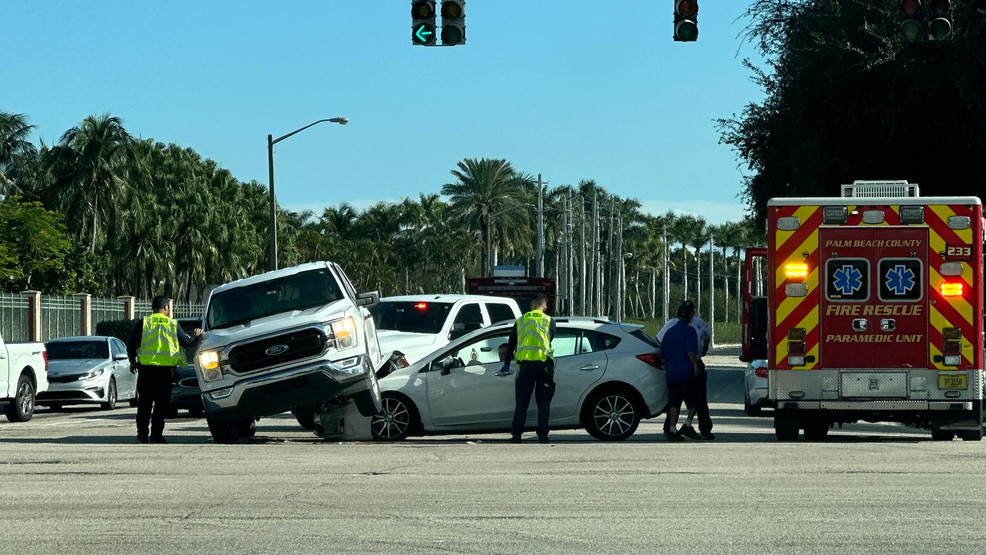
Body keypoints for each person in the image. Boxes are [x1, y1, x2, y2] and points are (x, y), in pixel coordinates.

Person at [127, 296, 202, 444]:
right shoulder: (173, 324)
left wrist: (132, 362)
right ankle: (156, 435)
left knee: (144, 404)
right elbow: (186, 343)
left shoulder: (144, 323)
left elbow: (131, 344)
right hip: (165, 372)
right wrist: (196, 335)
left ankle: (142, 434)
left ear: (152, 308)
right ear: (166, 308)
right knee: (161, 405)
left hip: (146, 370)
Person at [501, 293, 556, 444]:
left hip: (525, 366)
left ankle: (517, 435)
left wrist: (506, 363)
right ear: (544, 306)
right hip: (544, 366)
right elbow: (550, 339)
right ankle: (543, 435)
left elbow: (511, 344)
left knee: (522, 402)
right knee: (543, 403)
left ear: (531, 304)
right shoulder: (549, 321)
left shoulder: (521, 320)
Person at [658, 300, 714, 441]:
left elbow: (661, 351)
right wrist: (695, 367)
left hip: (673, 368)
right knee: (695, 399)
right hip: (689, 368)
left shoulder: (673, 329)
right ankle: (685, 425)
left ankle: (673, 429)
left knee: (674, 401)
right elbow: (690, 352)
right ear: (690, 314)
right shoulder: (686, 329)